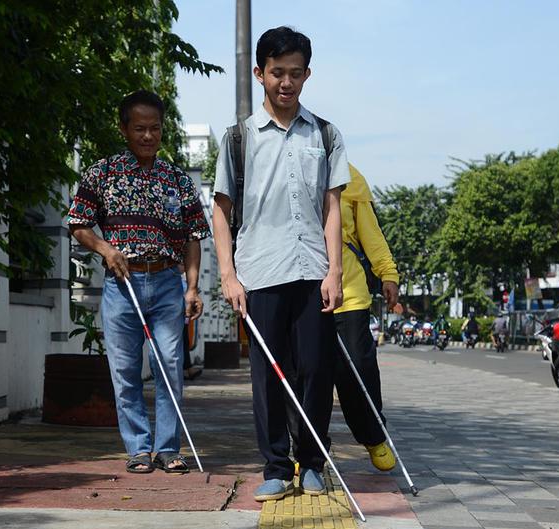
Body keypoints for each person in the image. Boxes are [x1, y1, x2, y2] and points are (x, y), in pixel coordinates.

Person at [212, 26, 350, 501]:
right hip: (260, 272)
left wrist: (335, 270)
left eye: (295, 73)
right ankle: (274, 466)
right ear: (259, 73)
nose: (285, 82)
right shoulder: (237, 139)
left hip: (313, 270)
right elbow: (221, 211)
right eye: (276, 73)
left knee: (316, 368)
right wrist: (228, 275)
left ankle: (312, 461)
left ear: (307, 74)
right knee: (269, 376)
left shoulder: (326, 134)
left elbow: (332, 207)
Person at [67, 90, 210, 473]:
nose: (148, 136)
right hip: (122, 283)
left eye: (155, 129)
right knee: (125, 369)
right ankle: (137, 449)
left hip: (166, 281)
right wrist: (105, 249)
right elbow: (78, 223)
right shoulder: (102, 173)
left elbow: (195, 236)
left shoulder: (177, 179)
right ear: (124, 129)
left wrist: (192, 287)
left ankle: (167, 449)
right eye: (140, 129)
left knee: (169, 365)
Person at [331, 164, 399, 471]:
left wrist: (388, 273)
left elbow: (370, 231)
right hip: (302, 293)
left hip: (349, 293)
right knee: (303, 374)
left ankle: (374, 436)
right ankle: (306, 450)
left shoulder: (349, 177)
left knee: (357, 369)